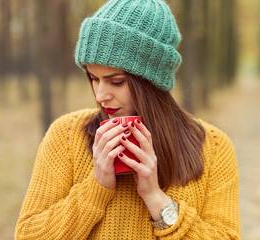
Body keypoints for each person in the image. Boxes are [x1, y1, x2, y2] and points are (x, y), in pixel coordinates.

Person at [15, 0, 241, 239]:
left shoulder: (213, 149)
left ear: (151, 82)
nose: (101, 95)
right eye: (93, 78)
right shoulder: (67, 135)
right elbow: (29, 234)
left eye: (116, 81)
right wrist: (96, 188)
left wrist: (156, 199)